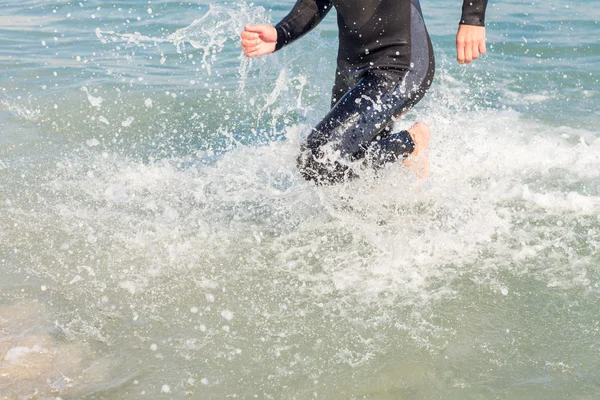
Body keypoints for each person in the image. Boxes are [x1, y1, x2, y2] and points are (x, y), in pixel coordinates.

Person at [240, 0, 488, 184]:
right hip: (351, 68)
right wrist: (281, 34)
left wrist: (473, 18)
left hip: (399, 63)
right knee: (342, 178)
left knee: (317, 159)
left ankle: (411, 142)